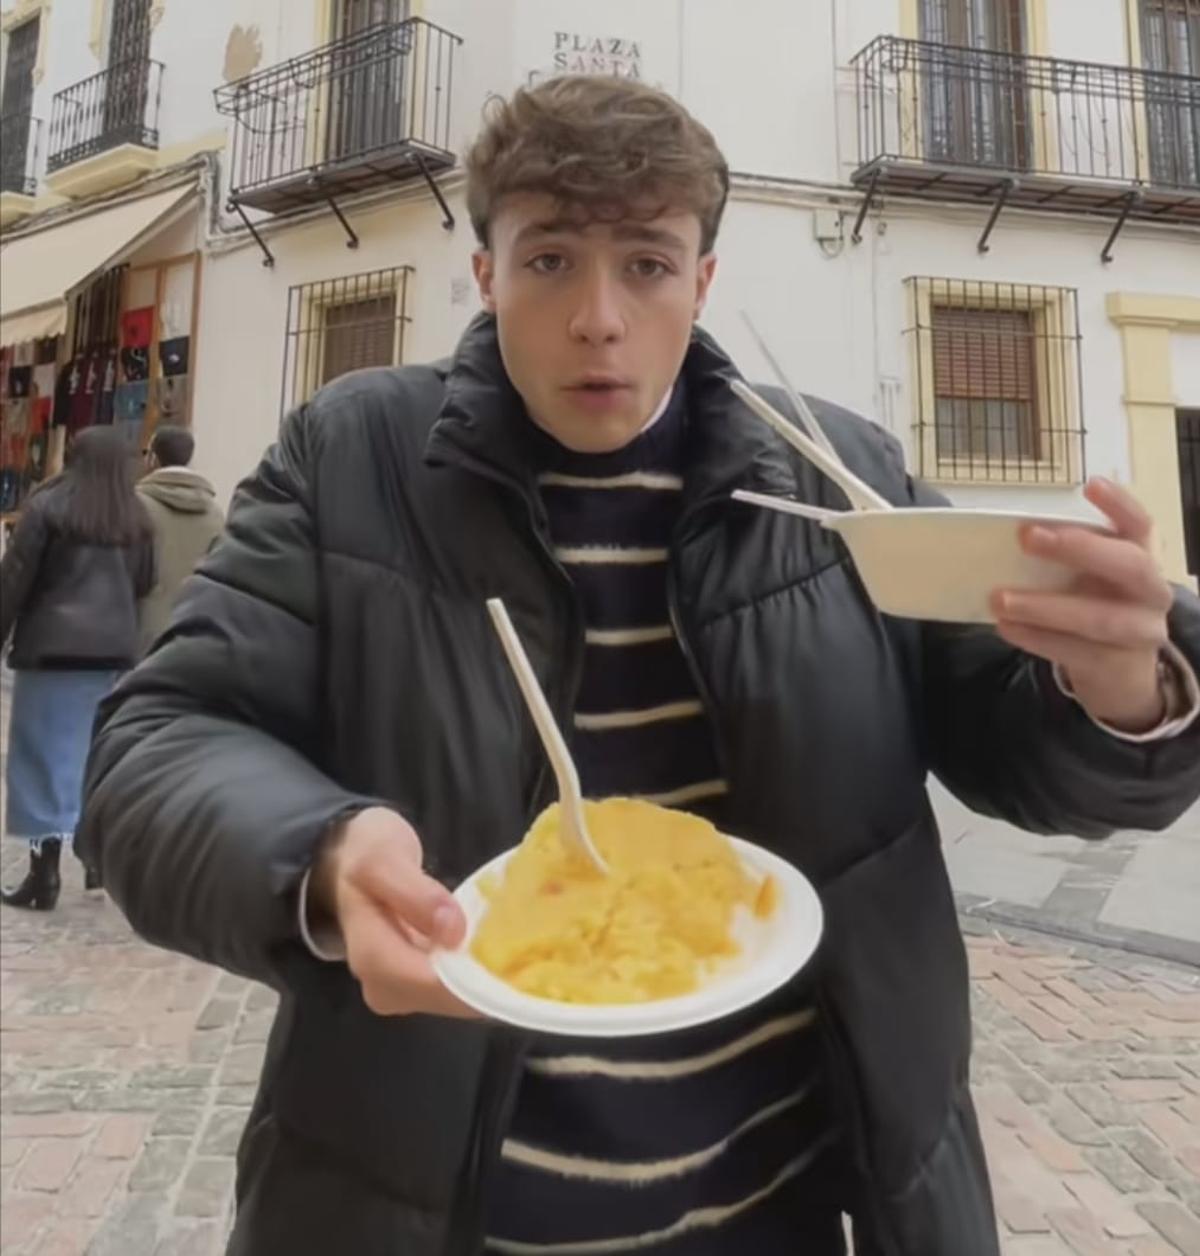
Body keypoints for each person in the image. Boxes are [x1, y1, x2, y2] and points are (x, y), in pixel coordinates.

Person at [78, 77, 1200, 1256]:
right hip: (430, 1204)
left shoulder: (839, 476)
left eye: (650, 266)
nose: (599, 318)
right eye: (551, 260)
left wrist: (1124, 687)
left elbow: (1017, 739)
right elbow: (153, 743)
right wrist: (320, 855)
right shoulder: (354, 459)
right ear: (486, 273)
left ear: (703, 281)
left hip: (800, 1201)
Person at [2, 425, 154, 910]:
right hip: (114, 654)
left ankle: (42, 876)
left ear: (73, 456)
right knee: (99, 759)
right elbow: (146, 582)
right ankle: (96, 864)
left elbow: (14, 579)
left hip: (53, 654)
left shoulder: (48, 508)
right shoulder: (136, 516)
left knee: (41, 763)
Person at [137, 424, 225, 656]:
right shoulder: (215, 513)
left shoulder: (136, 506)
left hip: (141, 634)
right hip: (193, 634)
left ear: (153, 458)